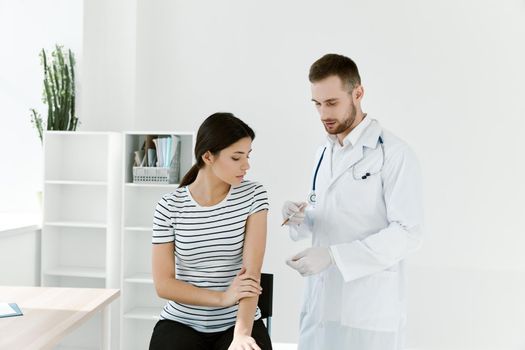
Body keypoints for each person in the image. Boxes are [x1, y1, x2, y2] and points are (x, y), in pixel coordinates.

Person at [282, 54, 424, 350]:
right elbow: (332, 214)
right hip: (321, 302)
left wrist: (335, 256)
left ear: (358, 93)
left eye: (332, 103)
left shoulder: (394, 154)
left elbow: (408, 233)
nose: (323, 114)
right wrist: (301, 218)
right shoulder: (324, 152)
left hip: (366, 309)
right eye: (317, 104)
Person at [150, 113, 272, 350]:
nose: (246, 165)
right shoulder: (169, 206)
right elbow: (163, 284)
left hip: (236, 322)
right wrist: (222, 298)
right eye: (236, 157)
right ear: (208, 156)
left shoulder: (254, 195)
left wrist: (242, 335)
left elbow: (251, 275)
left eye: (247, 156)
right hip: (181, 321)